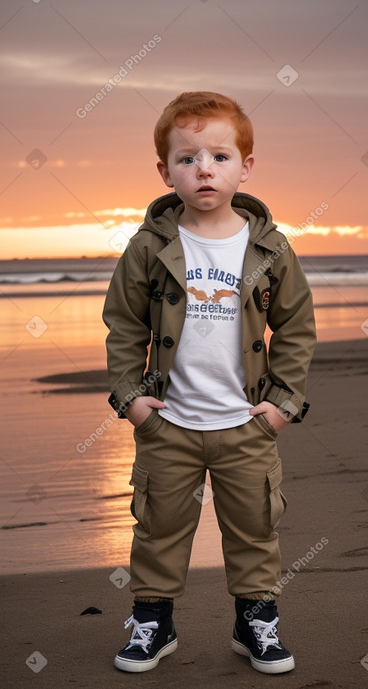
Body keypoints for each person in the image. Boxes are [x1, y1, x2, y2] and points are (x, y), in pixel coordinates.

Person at [103, 91, 316, 675]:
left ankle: (256, 621)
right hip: (167, 421)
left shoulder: (269, 248)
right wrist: (133, 402)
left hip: (246, 422)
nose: (204, 169)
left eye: (220, 156)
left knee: (253, 526)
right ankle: (154, 619)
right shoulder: (149, 247)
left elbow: (296, 326)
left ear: (245, 166)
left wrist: (280, 406)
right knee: (159, 525)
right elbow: (122, 324)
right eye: (188, 157)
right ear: (164, 170)